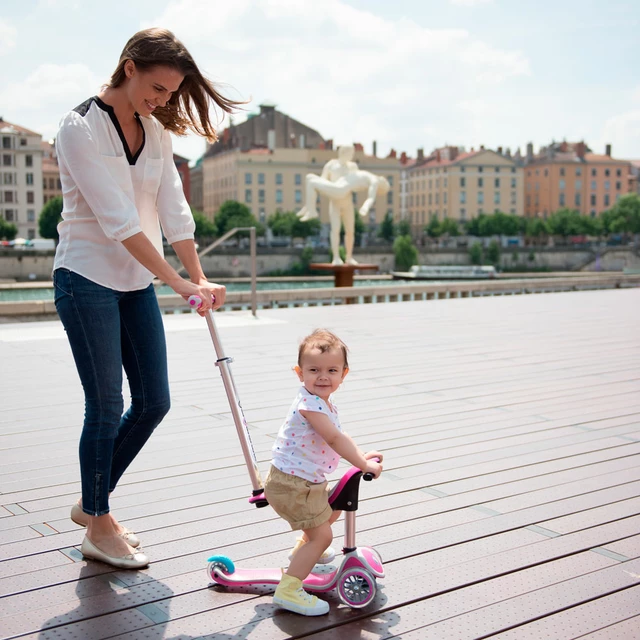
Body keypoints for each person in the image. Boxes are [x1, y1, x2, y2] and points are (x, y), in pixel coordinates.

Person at [53, 28, 244, 569]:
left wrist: (198, 276)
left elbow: (173, 211)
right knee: (107, 404)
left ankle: (94, 504)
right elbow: (117, 221)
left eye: (169, 95)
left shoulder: (156, 133)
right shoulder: (79, 128)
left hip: (134, 283)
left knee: (154, 401)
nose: (161, 101)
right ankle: (98, 522)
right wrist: (177, 283)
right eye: (157, 88)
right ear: (129, 66)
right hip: (85, 276)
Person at [264, 329, 383, 615]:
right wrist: (364, 465)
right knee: (323, 536)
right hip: (292, 485)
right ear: (299, 372)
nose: (323, 376)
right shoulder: (309, 405)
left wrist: (359, 456)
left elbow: (340, 435)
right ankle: (289, 590)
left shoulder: (323, 402)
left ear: (344, 373)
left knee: (334, 507)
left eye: (331, 370)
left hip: (304, 481)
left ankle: (301, 551)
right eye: (314, 370)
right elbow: (334, 440)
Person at [296, 144, 390, 265]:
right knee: (335, 229)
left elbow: (363, 190)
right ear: (342, 153)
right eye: (349, 153)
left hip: (346, 200)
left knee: (350, 230)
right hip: (336, 199)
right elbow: (324, 181)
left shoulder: (354, 167)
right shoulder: (331, 165)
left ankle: (349, 257)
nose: (351, 156)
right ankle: (336, 257)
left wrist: (365, 208)